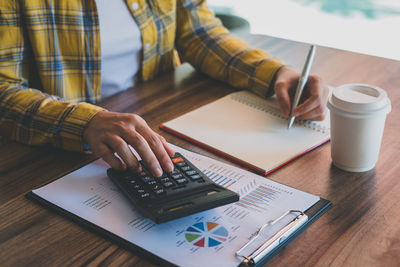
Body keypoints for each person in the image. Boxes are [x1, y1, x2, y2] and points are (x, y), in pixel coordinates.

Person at [0, 0, 328, 177]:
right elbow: (4, 91)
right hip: (51, 157)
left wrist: (275, 73)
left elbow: (197, 31)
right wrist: (85, 122)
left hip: (157, 120)